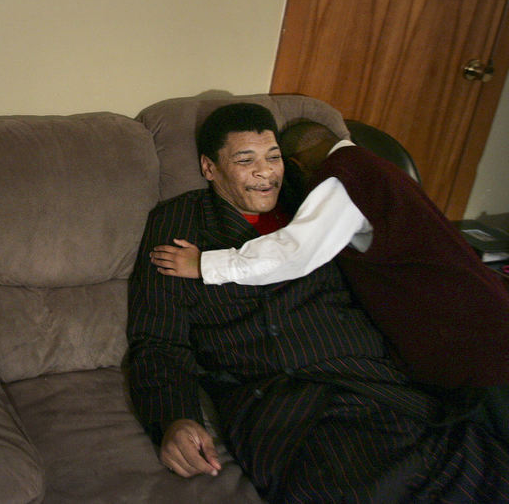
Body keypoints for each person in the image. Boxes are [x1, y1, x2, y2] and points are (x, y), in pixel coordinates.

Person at [127, 102, 509, 502]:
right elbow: (156, 338)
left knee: (478, 471)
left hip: (377, 386)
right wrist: (173, 417)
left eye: (273, 157)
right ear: (209, 168)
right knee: (358, 487)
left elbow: (366, 272)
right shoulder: (180, 224)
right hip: (287, 405)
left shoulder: (315, 200)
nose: (266, 172)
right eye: (246, 160)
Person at [150, 119, 509, 390]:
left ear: (296, 162)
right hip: (482, 306)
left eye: (276, 161)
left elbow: (296, 250)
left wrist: (205, 263)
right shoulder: (374, 166)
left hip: (471, 333)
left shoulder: (344, 178)